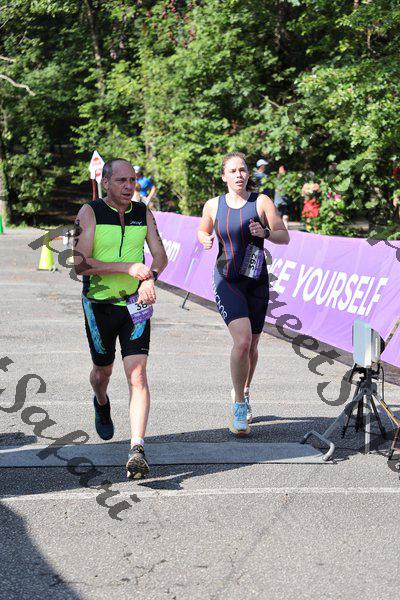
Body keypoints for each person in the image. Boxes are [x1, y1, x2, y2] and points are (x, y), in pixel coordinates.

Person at [73, 158, 168, 479]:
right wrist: (127, 267)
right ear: (106, 183)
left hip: (134, 306)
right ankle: (101, 400)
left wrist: (149, 278)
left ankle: (137, 449)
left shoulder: (143, 212)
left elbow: (160, 255)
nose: (129, 186)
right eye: (122, 181)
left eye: (133, 180)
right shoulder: (91, 212)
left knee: (137, 374)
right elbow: (81, 264)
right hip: (99, 305)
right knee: (102, 372)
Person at [197, 152, 289, 436]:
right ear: (223, 176)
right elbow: (202, 230)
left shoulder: (261, 202)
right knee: (243, 341)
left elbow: (284, 235)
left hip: (256, 280)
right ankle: (239, 405)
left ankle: (245, 390)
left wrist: (265, 233)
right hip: (227, 279)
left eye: (243, 170)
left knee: (252, 346)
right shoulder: (213, 205)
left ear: (249, 174)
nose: (239, 175)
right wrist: (204, 238)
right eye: (233, 171)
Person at [273, 164, 291, 229]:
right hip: (278, 202)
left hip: (285, 202)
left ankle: (286, 232)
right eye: (279, 170)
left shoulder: (288, 179)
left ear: (285, 171)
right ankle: (280, 231)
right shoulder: (277, 179)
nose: (280, 171)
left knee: (285, 218)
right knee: (279, 219)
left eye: (281, 170)